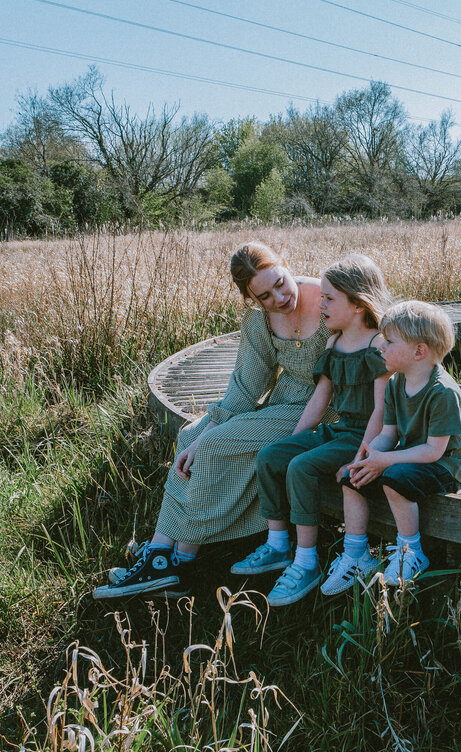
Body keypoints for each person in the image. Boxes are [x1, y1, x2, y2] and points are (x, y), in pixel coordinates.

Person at [93, 242, 329, 599]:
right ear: (251, 298)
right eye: (264, 296)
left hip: (324, 409)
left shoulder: (328, 300)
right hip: (284, 404)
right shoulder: (259, 320)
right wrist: (211, 424)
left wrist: (213, 435)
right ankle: (163, 554)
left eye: (280, 282)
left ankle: (177, 560)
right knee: (191, 435)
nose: (279, 297)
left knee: (214, 443)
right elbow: (246, 385)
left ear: (285, 263)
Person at [232, 254, 392, 606]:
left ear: (358, 303)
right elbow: (320, 400)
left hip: (363, 436)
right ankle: (277, 545)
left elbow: (382, 410)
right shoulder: (334, 344)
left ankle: (306, 562)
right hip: (338, 429)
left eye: (330, 298)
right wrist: (296, 441)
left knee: (301, 467)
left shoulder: (379, 346)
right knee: (273, 456)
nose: (322, 304)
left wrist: (361, 456)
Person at [331, 300, 461, 590]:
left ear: (419, 351)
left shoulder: (442, 392)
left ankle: (411, 552)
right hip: (411, 456)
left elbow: (434, 451)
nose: (380, 348)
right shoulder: (396, 383)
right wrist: (368, 458)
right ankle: (356, 553)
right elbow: (387, 432)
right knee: (351, 478)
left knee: (396, 479)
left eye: (389, 342)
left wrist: (386, 461)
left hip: (445, 465)